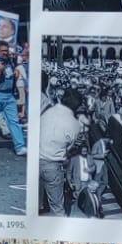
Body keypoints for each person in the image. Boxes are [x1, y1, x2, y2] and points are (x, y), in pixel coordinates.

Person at [35, 89, 83, 217]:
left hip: (35, 158)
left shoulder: (46, 110)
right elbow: (69, 148)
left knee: (35, 205)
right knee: (57, 208)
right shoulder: (75, 124)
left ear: (62, 99)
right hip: (53, 164)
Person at [0, 43, 27, 155]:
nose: (6, 53)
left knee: (14, 121)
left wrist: (15, 76)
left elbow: (11, 77)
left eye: (7, 50)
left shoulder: (10, 62)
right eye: (3, 51)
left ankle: (20, 146)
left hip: (9, 95)